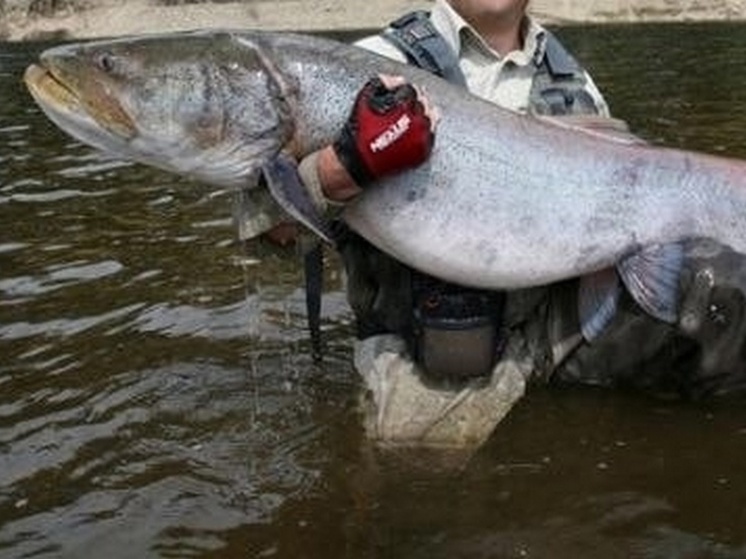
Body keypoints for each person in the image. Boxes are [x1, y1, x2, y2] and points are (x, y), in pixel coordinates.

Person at [277, 0, 746, 449]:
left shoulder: (575, 85)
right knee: (417, 496)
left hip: (553, 334)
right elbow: (270, 232)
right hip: (422, 352)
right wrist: (339, 172)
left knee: (726, 292)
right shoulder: (368, 69)